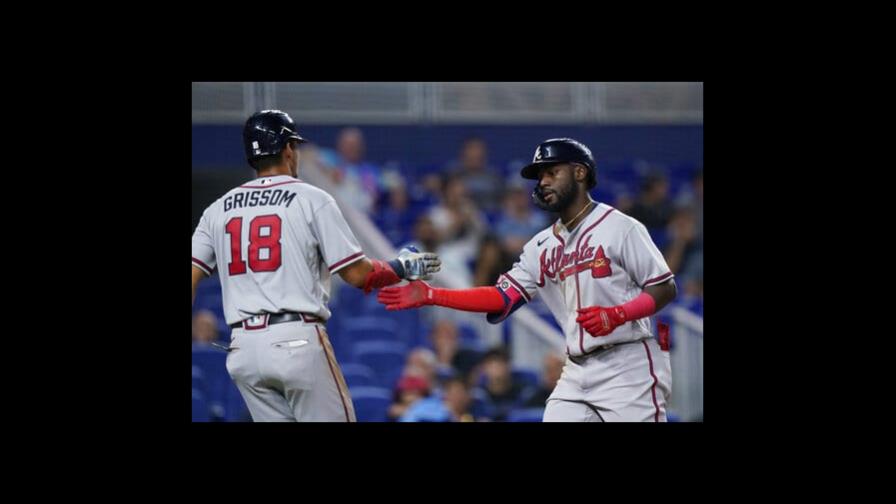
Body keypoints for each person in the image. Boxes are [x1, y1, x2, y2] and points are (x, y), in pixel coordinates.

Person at [378, 138, 677, 422]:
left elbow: (664, 287)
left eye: (552, 172)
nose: (543, 181)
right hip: (576, 369)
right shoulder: (540, 246)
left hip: (628, 361)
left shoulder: (621, 227)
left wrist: (618, 314)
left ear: (580, 172)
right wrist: (433, 295)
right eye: (539, 176)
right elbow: (500, 297)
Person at [191, 110, 440, 422]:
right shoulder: (311, 198)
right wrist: (400, 267)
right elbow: (357, 274)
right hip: (295, 340)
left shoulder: (217, 210)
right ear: (288, 149)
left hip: (243, 350)